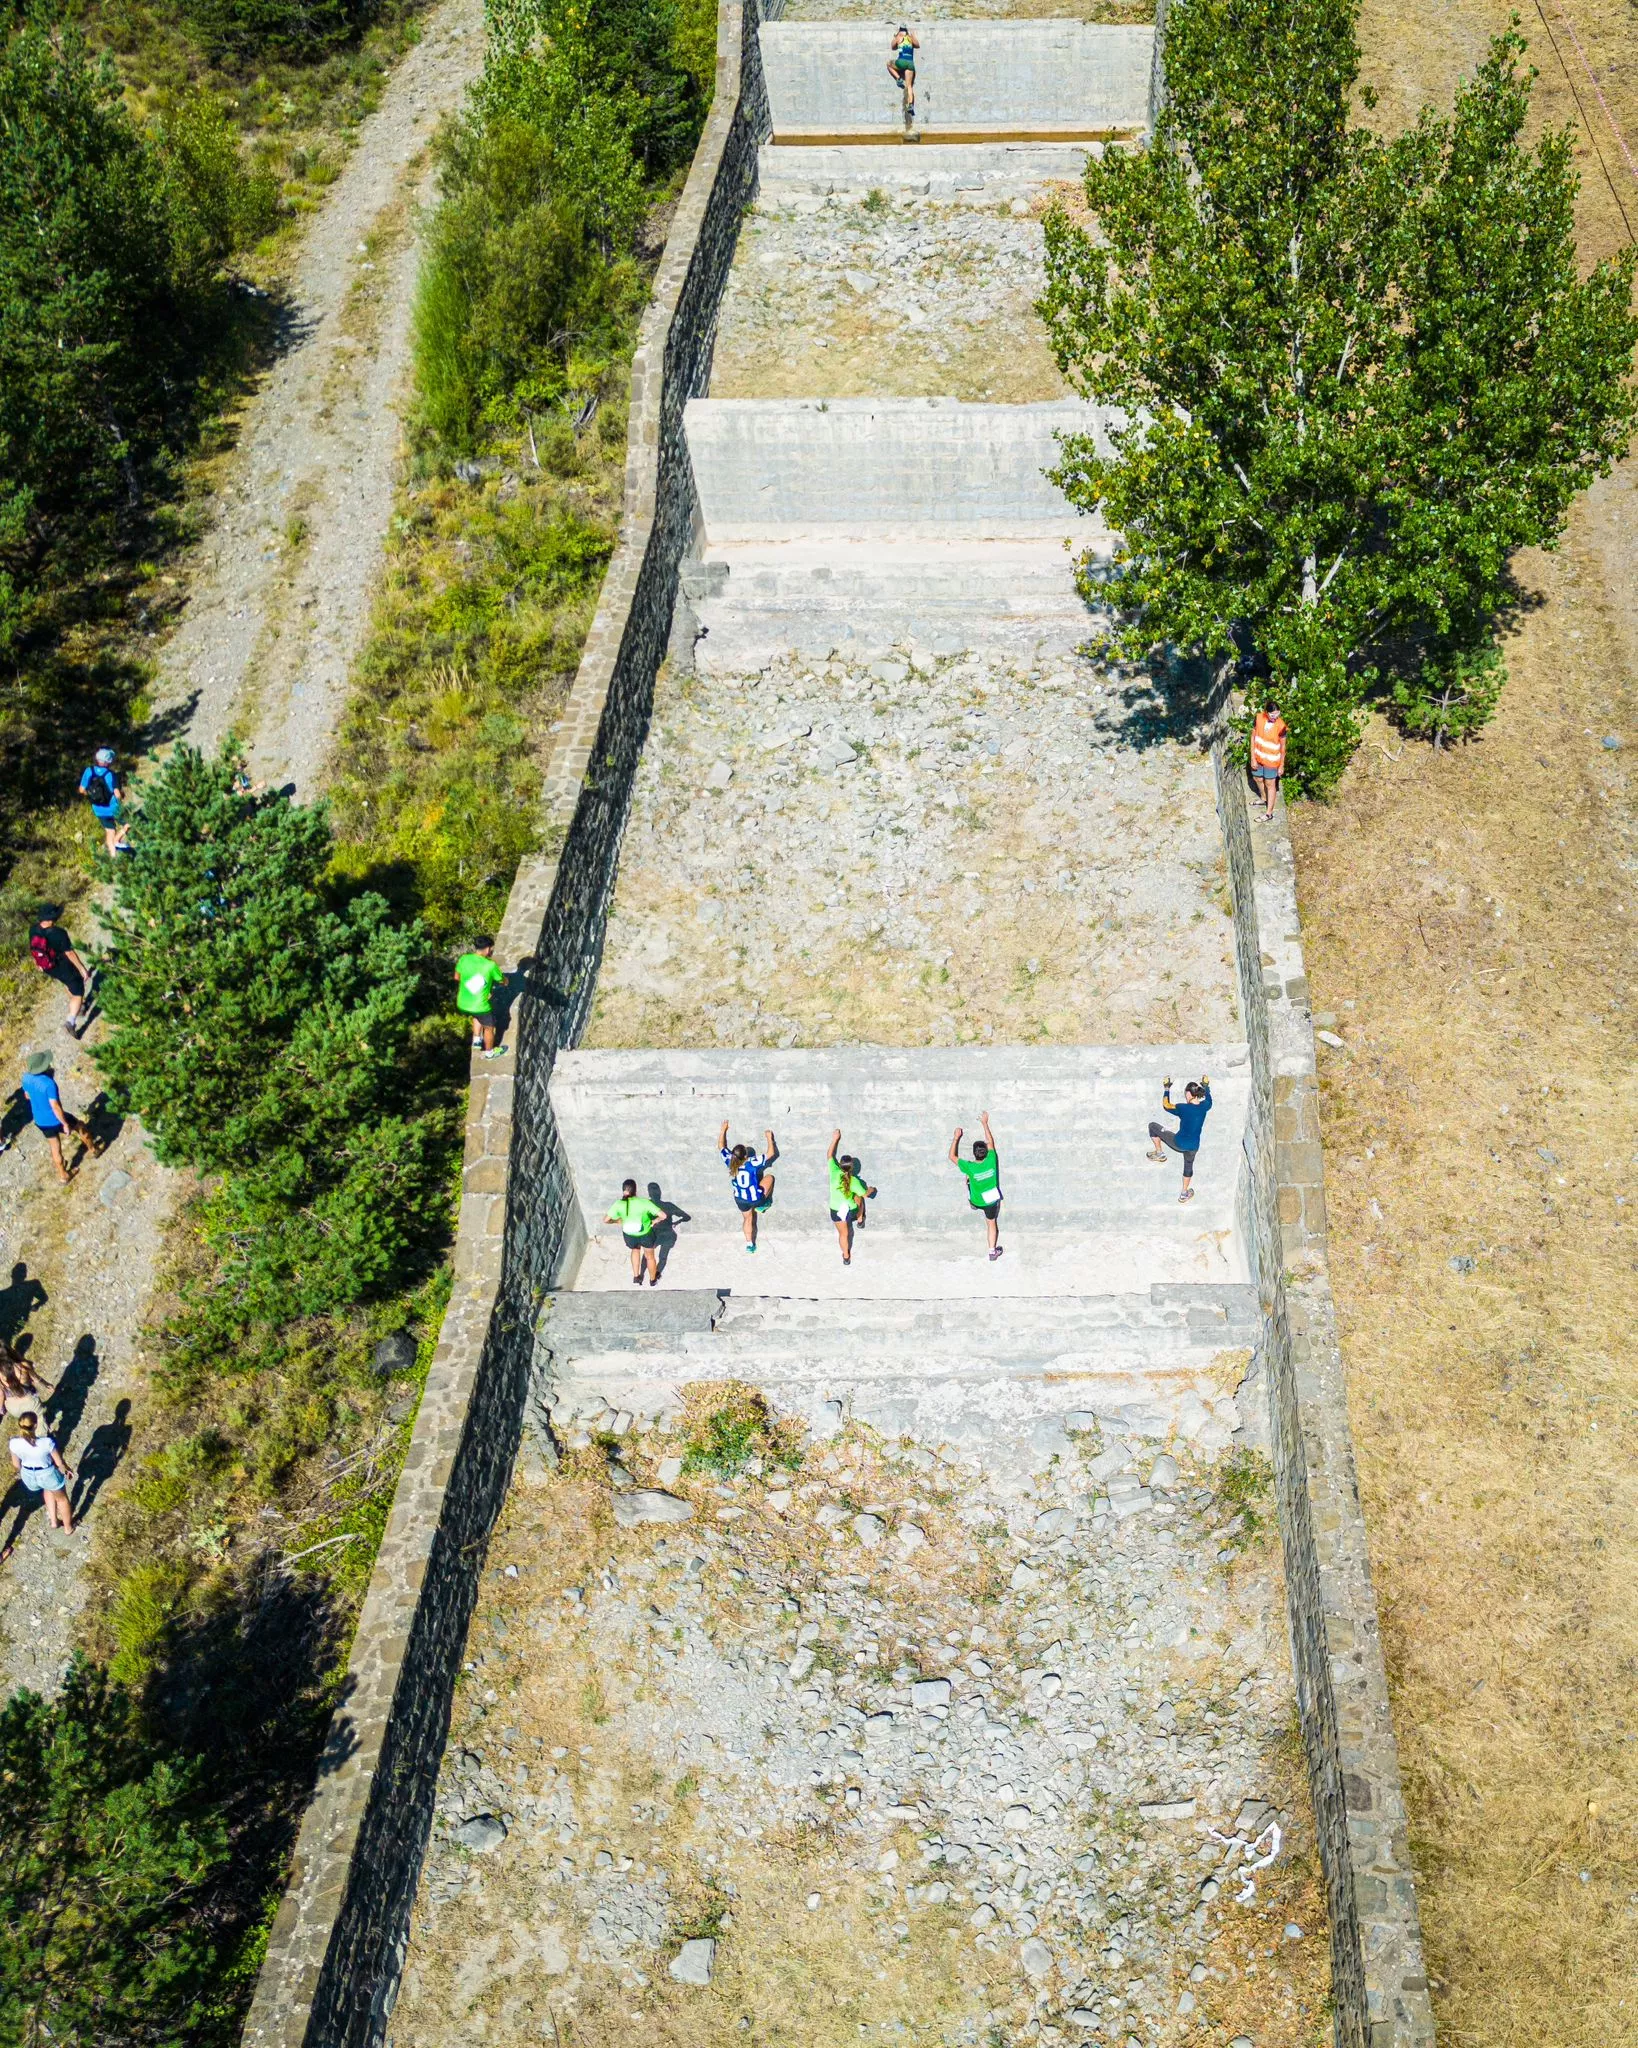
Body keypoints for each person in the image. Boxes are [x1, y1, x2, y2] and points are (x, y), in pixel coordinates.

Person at [19, 1051, 94, 1186]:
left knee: (55, 1147)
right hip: (55, 1119)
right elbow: (55, 1106)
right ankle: (94, 1150)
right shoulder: (49, 1083)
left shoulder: (26, 1078)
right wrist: (64, 1123)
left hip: (40, 1120)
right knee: (80, 1126)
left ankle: (63, 1176)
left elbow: (27, 1096)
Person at [6, 1411, 75, 1547]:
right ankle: (68, 1528)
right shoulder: (46, 1442)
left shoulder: (14, 1443)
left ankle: (54, 1521)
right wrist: (67, 1470)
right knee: (62, 1498)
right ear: (36, 1425)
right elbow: (59, 1462)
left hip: (29, 1475)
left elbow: (16, 1464)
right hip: (47, 1473)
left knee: (46, 1489)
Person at [27, 905, 92, 1037]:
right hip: (61, 965)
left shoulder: (33, 929)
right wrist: (82, 969)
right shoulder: (59, 933)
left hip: (47, 967)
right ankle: (71, 1021)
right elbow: (70, 953)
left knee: (67, 982)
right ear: (53, 918)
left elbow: (33, 947)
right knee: (78, 988)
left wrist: (37, 963)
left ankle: (80, 1007)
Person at [1147, 1073, 1212, 1203]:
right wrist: (1206, 1085)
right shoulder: (1205, 1106)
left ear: (1188, 1094)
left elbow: (1166, 1105)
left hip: (1179, 1143)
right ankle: (1184, 1193)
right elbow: (1209, 1098)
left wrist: (1167, 1088)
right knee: (1188, 1166)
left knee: (1153, 1126)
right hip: (1194, 1146)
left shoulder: (1183, 1108)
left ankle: (1159, 1153)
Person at [949, 1110, 1003, 1260]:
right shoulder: (992, 1159)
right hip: (990, 1201)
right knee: (991, 1223)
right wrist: (985, 1123)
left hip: (976, 1200)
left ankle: (973, 1204)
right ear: (986, 1152)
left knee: (967, 1178)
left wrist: (956, 1138)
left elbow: (952, 1157)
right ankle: (992, 1252)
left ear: (974, 1154)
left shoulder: (970, 1166)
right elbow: (991, 1142)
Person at [718, 1121, 777, 1253]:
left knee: (747, 1218)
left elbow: (721, 1146)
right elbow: (771, 1153)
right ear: (745, 1156)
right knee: (770, 1178)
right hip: (756, 1198)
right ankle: (763, 1204)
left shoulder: (729, 1161)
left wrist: (723, 1130)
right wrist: (769, 1138)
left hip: (740, 1199)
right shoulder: (751, 1162)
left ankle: (749, 1245)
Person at [826, 1129, 876, 1267]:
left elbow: (829, 1155)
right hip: (850, 1210)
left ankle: (846, 1256)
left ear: (840, 1165)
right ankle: (860, 1220)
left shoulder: (834, 1171)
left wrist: (835, 1138)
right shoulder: (854, 1181)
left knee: (843, 1234)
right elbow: (866, 1193)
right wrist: (872, 1189)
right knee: (860, 1198)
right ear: (851, 1168)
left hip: (836, 1211)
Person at [606, 1178, 666, 1286]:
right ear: (635, 1190)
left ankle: (636, 1277)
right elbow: (663, 1215)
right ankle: (652, 1280)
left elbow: (606, 1220)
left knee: (635, 1249)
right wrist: (654, 1221)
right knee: (650, 1257)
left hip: (629, 1234)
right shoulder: (644, 1202)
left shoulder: (618, 1204)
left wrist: (617, 1221)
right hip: (645, 1234)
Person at [455, 936, 507, 1057]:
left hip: (462, 1003)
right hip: (480, 1006)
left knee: (476, 1015)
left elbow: (457, 977)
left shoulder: (464, 959)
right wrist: (506, 981)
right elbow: (501, 981)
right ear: (488, 949)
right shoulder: (490, 965)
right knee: (489, 1027)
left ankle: (477, 1040)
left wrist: (473, 986)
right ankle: (489, 1052)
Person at [78, 748, 129, 856]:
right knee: (128, 824)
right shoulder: (111, 774)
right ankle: (117, 840)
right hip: (114, 808)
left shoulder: (89, 771)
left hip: (98, 809)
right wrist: (121, 797)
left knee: (110, 831)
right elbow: (118, 794)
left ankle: (113, 857)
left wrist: (92, 796)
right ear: (109, 762)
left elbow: (82, 790)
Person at [1250, 699, 1287, 820]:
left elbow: (1283, 747)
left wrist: (1281, 765)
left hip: (1272, 761)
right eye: (1272, 714)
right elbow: (1253, 737)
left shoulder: (1281, 726)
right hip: (1259, 757)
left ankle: (1269, 813)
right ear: (1266, 712)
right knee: (1257, 778)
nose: (1275, 717)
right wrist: (1253, 758)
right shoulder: (1259, 719)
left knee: (1270, 784)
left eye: (1277, 714)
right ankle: (1263, 798)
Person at [0, 1343, 55, 1422]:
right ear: (10, 1352)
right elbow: (36, 1379)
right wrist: (47, 1385)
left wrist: (1, 1409)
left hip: (13, 1408)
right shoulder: (23, 1366)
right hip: (30, 1403)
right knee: (39, 1423)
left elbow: (1, 1394)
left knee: (26, 1423)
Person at [887, 25, 919, 117]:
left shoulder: (898, 37)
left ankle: (898, 78)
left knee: (889, 63)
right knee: (909, 86)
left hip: (901, 62)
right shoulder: (910, 38)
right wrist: (913, 36)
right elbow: (917, 45)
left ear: (900, 30)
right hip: (910, 64)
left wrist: (895, 36)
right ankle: (910, 105)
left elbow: (892, 47)